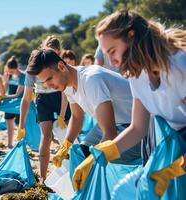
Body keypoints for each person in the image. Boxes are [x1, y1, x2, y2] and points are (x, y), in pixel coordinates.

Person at [71, 10, 186, 195]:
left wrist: (175, 169)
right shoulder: (137, 75)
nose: (110, 60)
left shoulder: (179, 65)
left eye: (112, 51)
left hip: (179, 157)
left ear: (131, 36)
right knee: (124, 190)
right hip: (170, 148)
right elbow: (138, 128)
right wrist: (100, 155)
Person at [26, 47, 142, 184]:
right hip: (119, 123)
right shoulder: (68, 84)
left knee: (94, 161)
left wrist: (92, 161)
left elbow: (109, 132)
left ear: (61, 66)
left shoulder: (91, 80)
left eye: (49, 79)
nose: (49, 86)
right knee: (78, 153)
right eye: (44, 83)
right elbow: (76, 116)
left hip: (141, 128)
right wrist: (66, 145)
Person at [17, 35, 71, 181]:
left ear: (59, 53)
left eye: (55, 54)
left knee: (66, 136)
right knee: (46, 137)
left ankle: (69, 170)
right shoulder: (33, 68)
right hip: (43, 100)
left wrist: (61, 114)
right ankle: (42, 177)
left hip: (61, 98)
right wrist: (21, 126)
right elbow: (26, 98)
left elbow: (67, 92)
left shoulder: (61, 65)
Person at [3, 56, 26, 148]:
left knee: (19, 124)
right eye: (9, 70)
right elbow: (4, 90)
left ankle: (21, 142)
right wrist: (5, 80)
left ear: (16, 68)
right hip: (9, 103)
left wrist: (4, 97)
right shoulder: (9, 76)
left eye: (11, 71)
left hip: (19, 104)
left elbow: (18, 94)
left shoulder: (23, 76)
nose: (10, 72)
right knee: (9, 122)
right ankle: (9, 143)